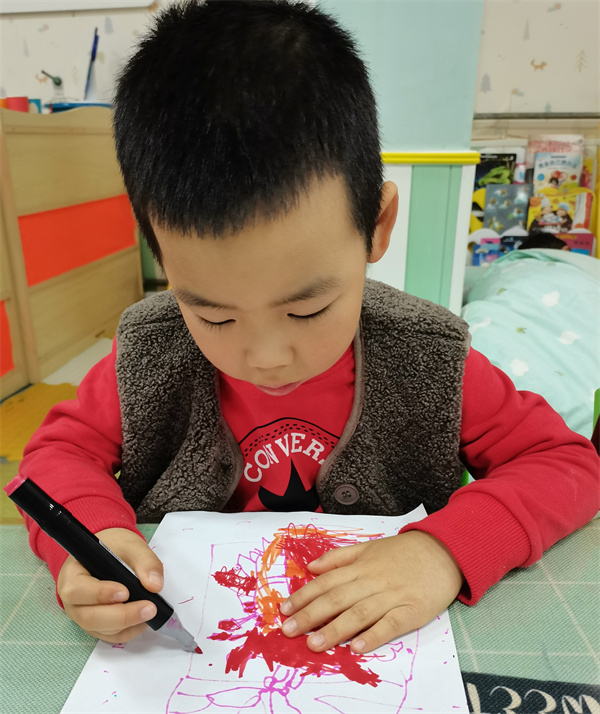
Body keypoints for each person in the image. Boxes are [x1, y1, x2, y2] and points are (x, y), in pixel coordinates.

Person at [18, 0, 598, 654]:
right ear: (160, 254)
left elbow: (566, 464)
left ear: (376, 227)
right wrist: (94, 539)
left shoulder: (429, 359)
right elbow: (56, 458)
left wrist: (445, 550)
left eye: (307, 310)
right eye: (214, 314)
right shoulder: (149, 356)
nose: (266, 355)